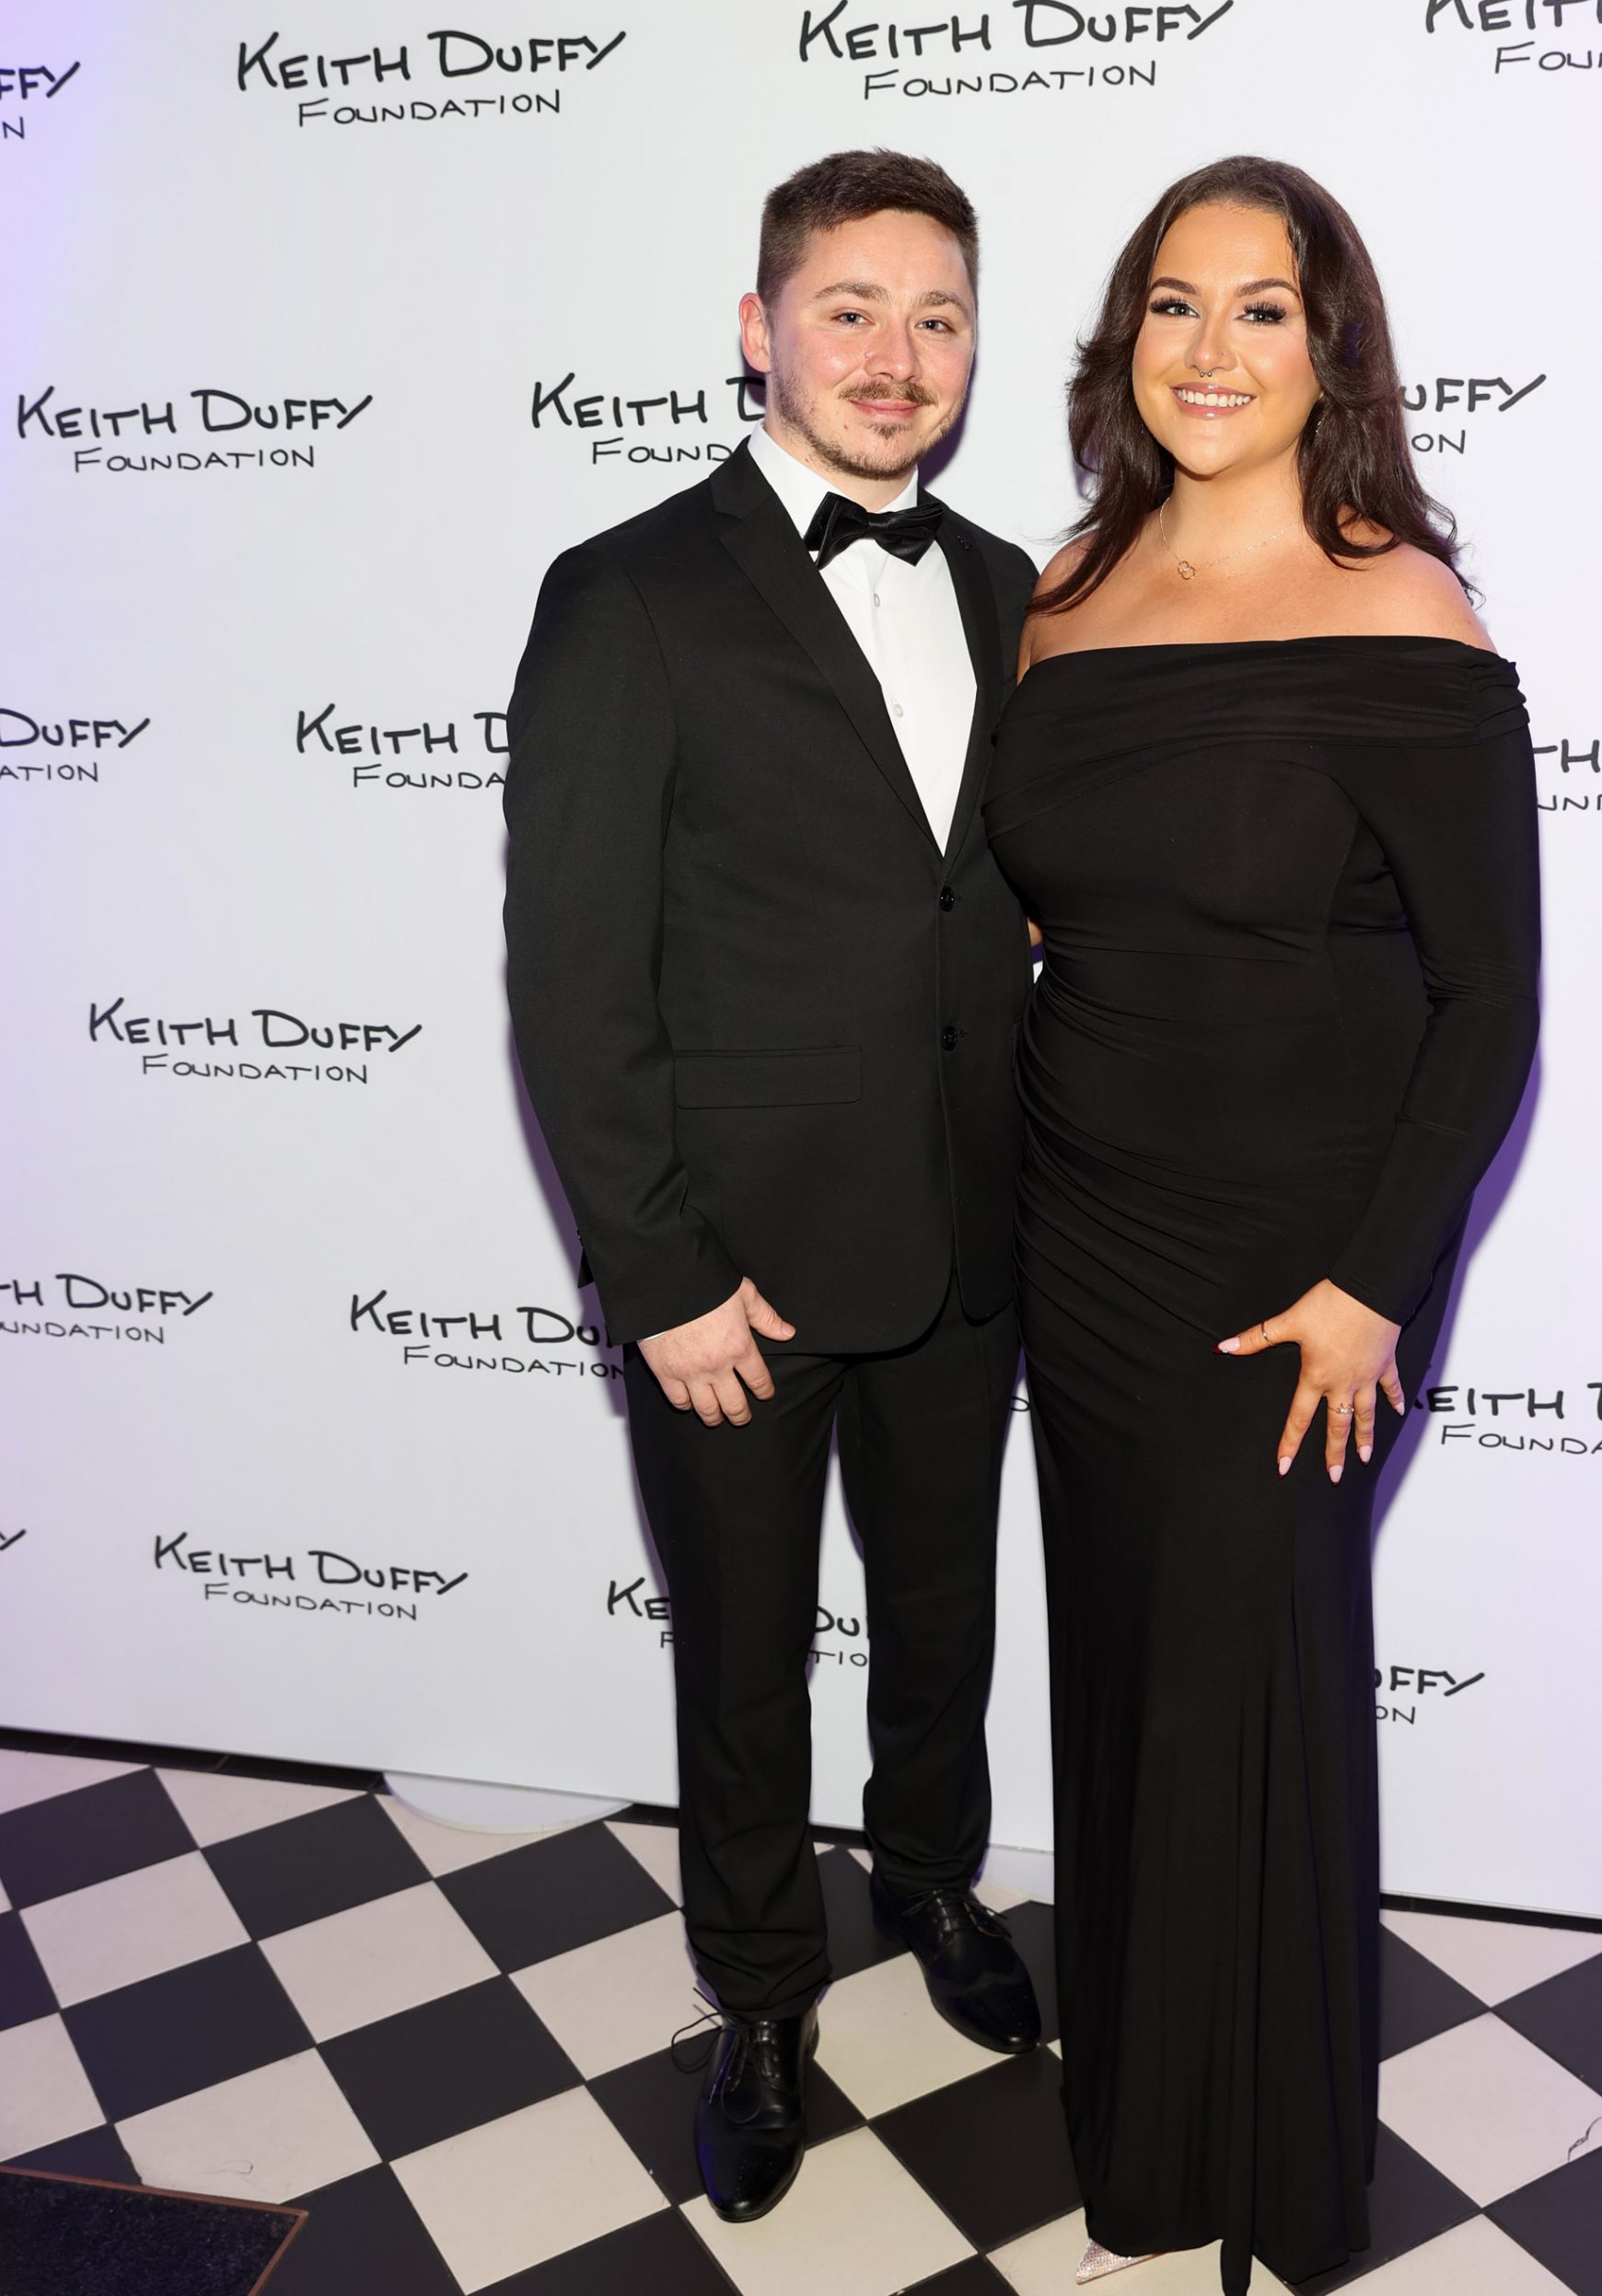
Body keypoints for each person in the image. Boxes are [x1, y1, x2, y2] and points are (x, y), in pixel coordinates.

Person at [982, 158, 1541, 2292]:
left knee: (1254, 1667)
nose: (1208, 349)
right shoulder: (1066, 583)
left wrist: (1373, 1282)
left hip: (1302, 1252)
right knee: (1129, 1657)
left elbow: (1488, 997)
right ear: (1124, 335)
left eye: (1262, 309)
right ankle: (1145, 2126)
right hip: (1082, 1222)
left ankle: (1275, 2162)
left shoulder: (1403, 611)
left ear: (1332, 354)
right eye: (1172, 303)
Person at [502, 148, 1041, 2225]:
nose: (897, 356)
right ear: (759, 329)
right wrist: (656, 1273)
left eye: (937, 316)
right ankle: (755, 1989)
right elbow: (572, 971)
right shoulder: (627, 590)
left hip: (970, 1236)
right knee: (739, 1656)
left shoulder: (1015, 588)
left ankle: (930, 1874)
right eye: (850, 309)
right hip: (732, 1269)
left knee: (943, 1609)